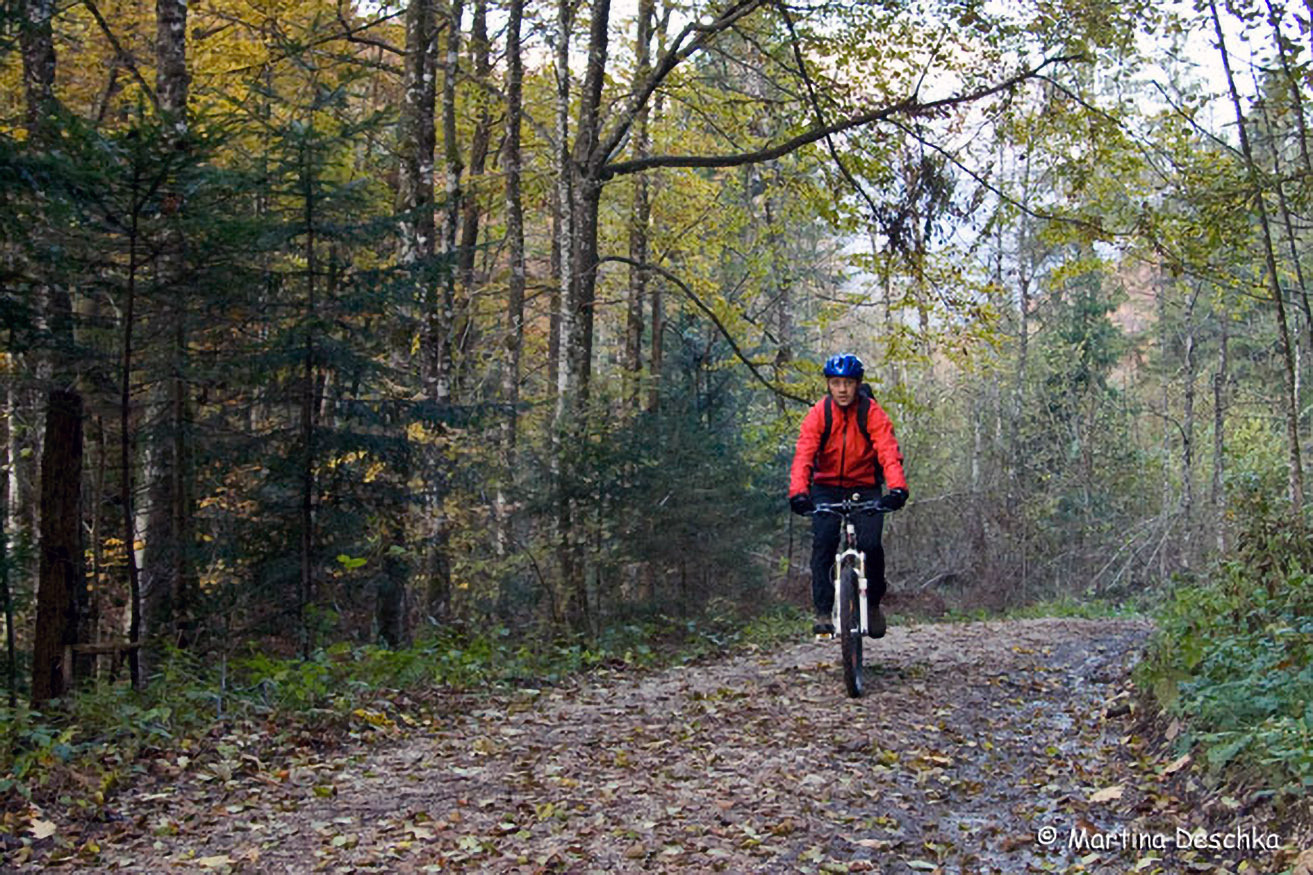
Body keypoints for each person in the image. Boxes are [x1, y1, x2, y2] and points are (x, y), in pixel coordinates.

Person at [788, 353, 908, 636]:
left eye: (848, 383)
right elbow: (804, 453)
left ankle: (873, 604)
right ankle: (823, 612)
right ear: (828, 385)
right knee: (824, 544)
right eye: (836, 383)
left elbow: (888, 450)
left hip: (864, 486)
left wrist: (897, 488)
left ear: (858, 384)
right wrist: (799, 493)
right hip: (826, 487)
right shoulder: (820, 413)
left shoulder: (871, 412)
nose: (842, 389)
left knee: (871, 545)